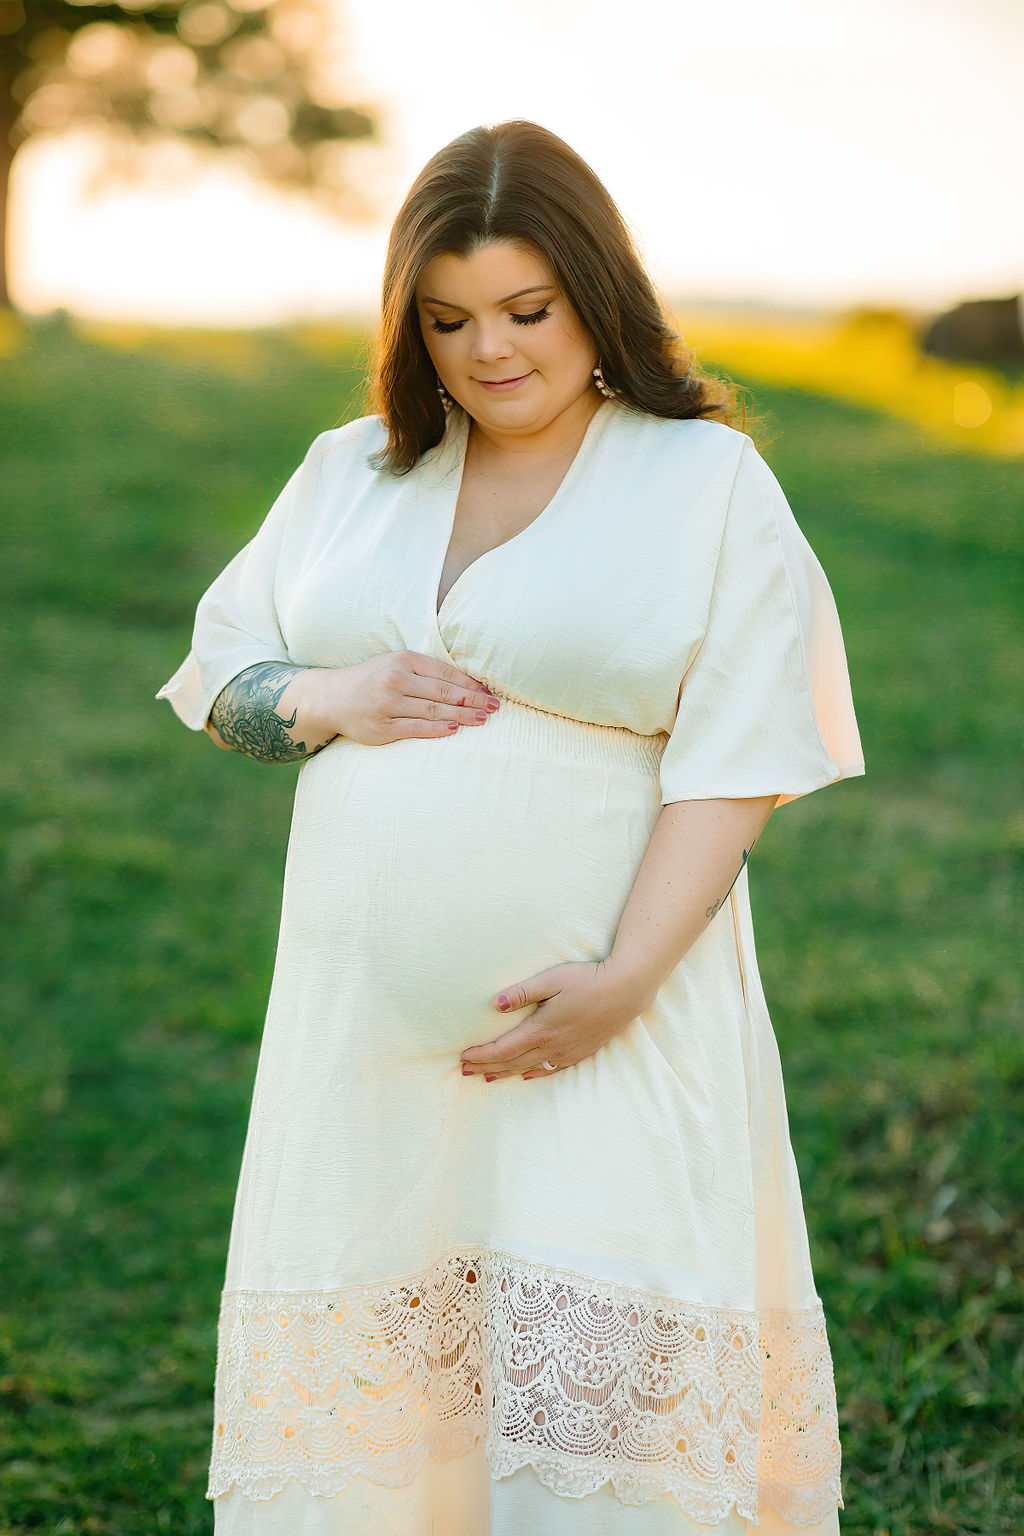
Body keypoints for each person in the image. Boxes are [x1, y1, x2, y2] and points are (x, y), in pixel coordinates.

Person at [157, 118, 865, 1536]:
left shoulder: (702, 483)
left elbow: (741, 758)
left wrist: (621, 982)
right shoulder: (349, 473)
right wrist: (340, 692)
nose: (489, 352)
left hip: (609, 1019)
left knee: (596, 1447)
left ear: (597, 299)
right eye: (448, 319)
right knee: (385, 1451)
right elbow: (219, 679)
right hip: (363, 1047)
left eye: (527, 312)